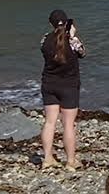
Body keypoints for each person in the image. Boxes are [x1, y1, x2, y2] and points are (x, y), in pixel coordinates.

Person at [40, 9, 87, 170]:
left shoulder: (45, 40)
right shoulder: (72, 41)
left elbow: (49, 51)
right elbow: (82, 52)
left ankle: (47, 158)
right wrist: (72, 35)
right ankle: (71, 161)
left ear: (50, 24)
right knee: (68, 124)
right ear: (67, 23)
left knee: (50, 122)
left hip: (49, 84)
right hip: (69, 85)